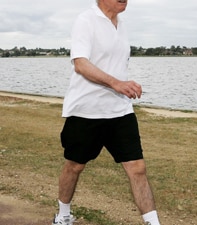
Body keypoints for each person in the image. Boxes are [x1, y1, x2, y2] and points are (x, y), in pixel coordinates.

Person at [52, 0, 161, 224]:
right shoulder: (86, 20)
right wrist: (116, 83)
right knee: (74, 166)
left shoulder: (122, 24)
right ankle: (63, 216)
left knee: (137, 168)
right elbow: (80, 63)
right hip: (86, 111)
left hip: (120, 110)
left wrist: (124, 86)